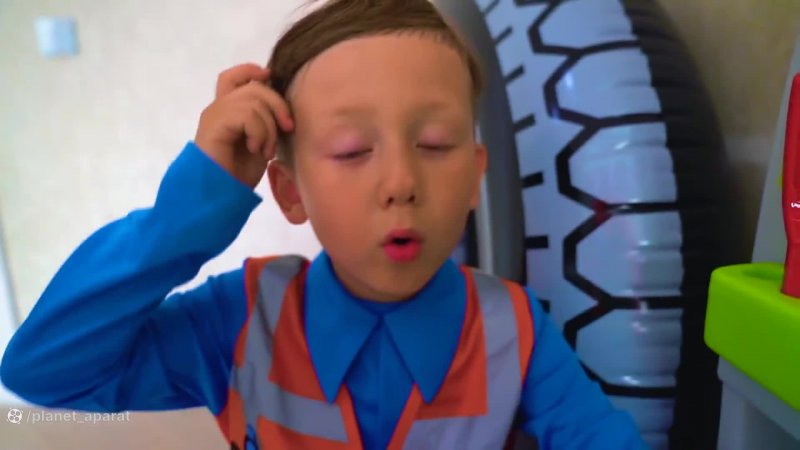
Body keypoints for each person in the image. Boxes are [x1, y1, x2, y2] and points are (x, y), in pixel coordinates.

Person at [1, 0, 648, 448]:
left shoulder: (514, 330)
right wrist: (189, 213)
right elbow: (44, 371)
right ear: (290, 192)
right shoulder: (241, 321)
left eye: (434, 142)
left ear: (476, 174)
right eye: (351, 150)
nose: (400, 181)